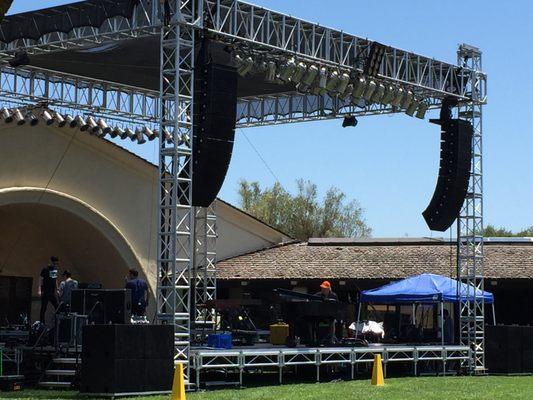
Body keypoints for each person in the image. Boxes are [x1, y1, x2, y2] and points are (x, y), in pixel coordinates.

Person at [39, 256, 59, 323]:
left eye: (56, 263)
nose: (55, 264)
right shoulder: (45, 269)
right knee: (44, 307)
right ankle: (42, 322)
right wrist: (40, 290)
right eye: (54, 263)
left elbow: (55, 280)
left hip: (51, 292)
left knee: (57, 306)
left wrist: (57, 289)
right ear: (51, 262)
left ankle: (57, 321)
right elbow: (41, 279)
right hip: (45, 291)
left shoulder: (54, 270)